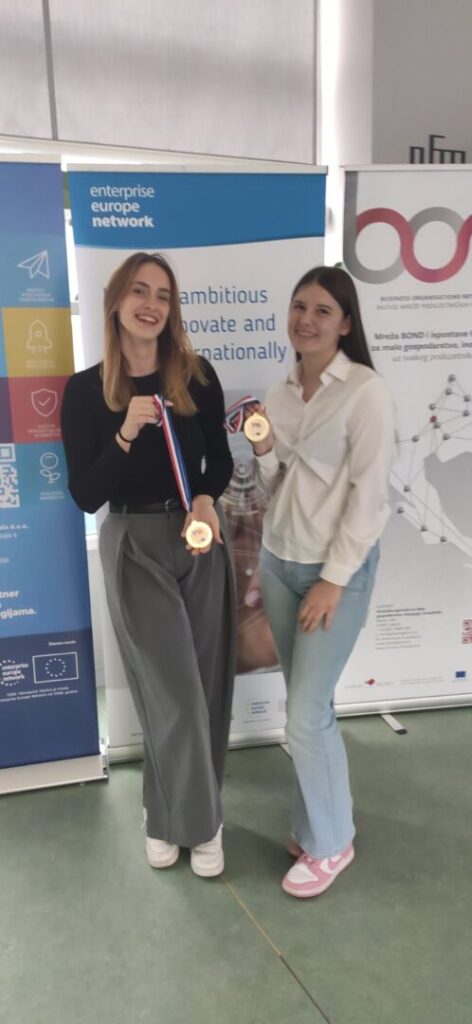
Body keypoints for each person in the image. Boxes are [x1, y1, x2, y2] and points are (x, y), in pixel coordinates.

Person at [61, 252, 236, 878]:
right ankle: (195, 824)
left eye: (163, 295)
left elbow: (220, 461)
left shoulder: (197, 376)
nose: (151, 304)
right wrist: (125, 435)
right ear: (115, 301)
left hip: (197, 536)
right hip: (133, 542)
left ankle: (172, 810)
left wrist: (208, 500)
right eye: (140, 290)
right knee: (173, 694)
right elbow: (86, 496)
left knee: (207, 687)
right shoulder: (87, 391)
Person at [247, 266, 395, 898]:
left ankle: (333, 844)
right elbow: (275, 487)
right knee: (308, 706)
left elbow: (370, 497)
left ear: (345, 324)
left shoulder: (365, 392)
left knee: (305, 717)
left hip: (334, 573)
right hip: (280, 562)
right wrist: (262, 449)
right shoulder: (278, 395)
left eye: (322, 310)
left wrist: (333, 582)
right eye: (299, 306)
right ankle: (316, 825)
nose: (306, 319)